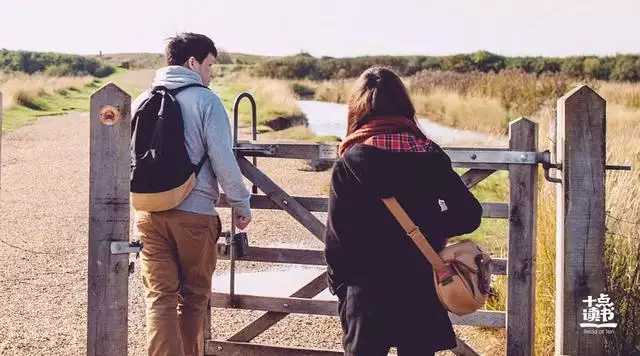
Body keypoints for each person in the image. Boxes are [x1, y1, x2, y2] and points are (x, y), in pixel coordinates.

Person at [323, 66, 483, 356]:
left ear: (358, 110)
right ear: (404, 106)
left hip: (366, 290)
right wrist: (429, 228)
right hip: (420, 285)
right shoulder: (430, 155)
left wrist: (343, 291)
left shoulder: (349, 162)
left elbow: (337, 240)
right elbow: (469, 215)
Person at [131, 32, 252, 356]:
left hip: (148, 213)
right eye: (210, 65)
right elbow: (222, 159)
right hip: (194, 214)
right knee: (194, 297)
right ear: (193, 62)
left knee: (160, 298)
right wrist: (241, 203)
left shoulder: (141, 99)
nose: (212, 73)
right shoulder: (206, 100)